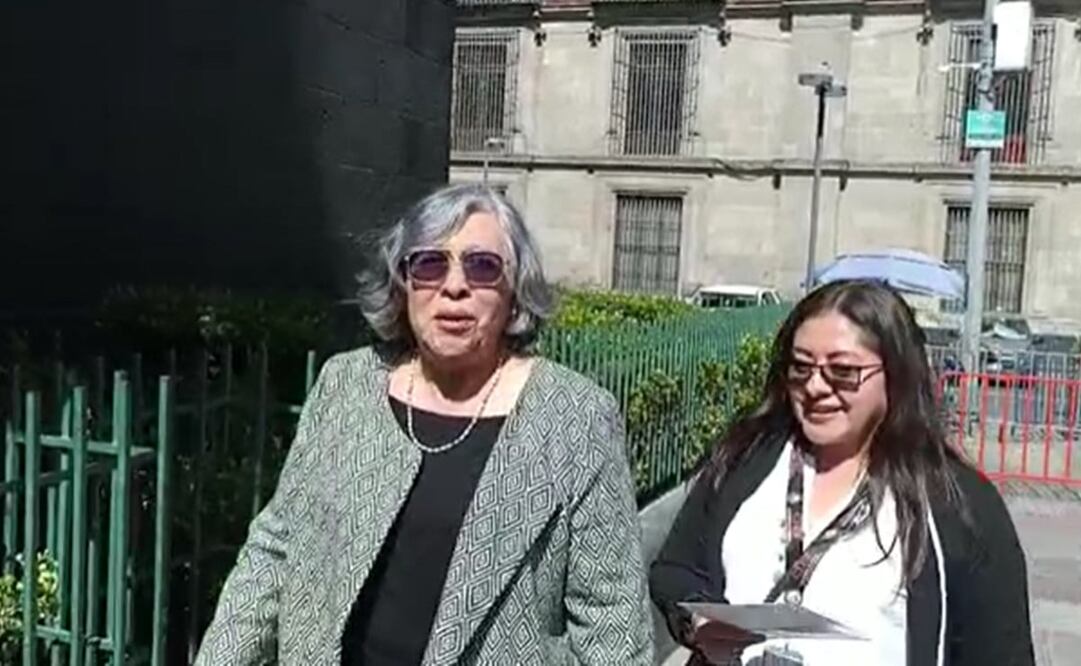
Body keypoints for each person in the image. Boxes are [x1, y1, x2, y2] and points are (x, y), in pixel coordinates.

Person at [195, 184, 653, 665]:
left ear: (515, 289)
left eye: (481, 266)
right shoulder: (348, 385)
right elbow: (276, 550)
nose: (454, 286)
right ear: (403, 284)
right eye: (430, 264)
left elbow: (613, 627)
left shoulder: (574, 418)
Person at [649, 280, 1034, 666]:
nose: (815, 386)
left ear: (896, 376)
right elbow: (676, 571)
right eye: (801, 367)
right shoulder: (746, 460)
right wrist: (701, 622)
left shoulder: (959, 507)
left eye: (843, 371)